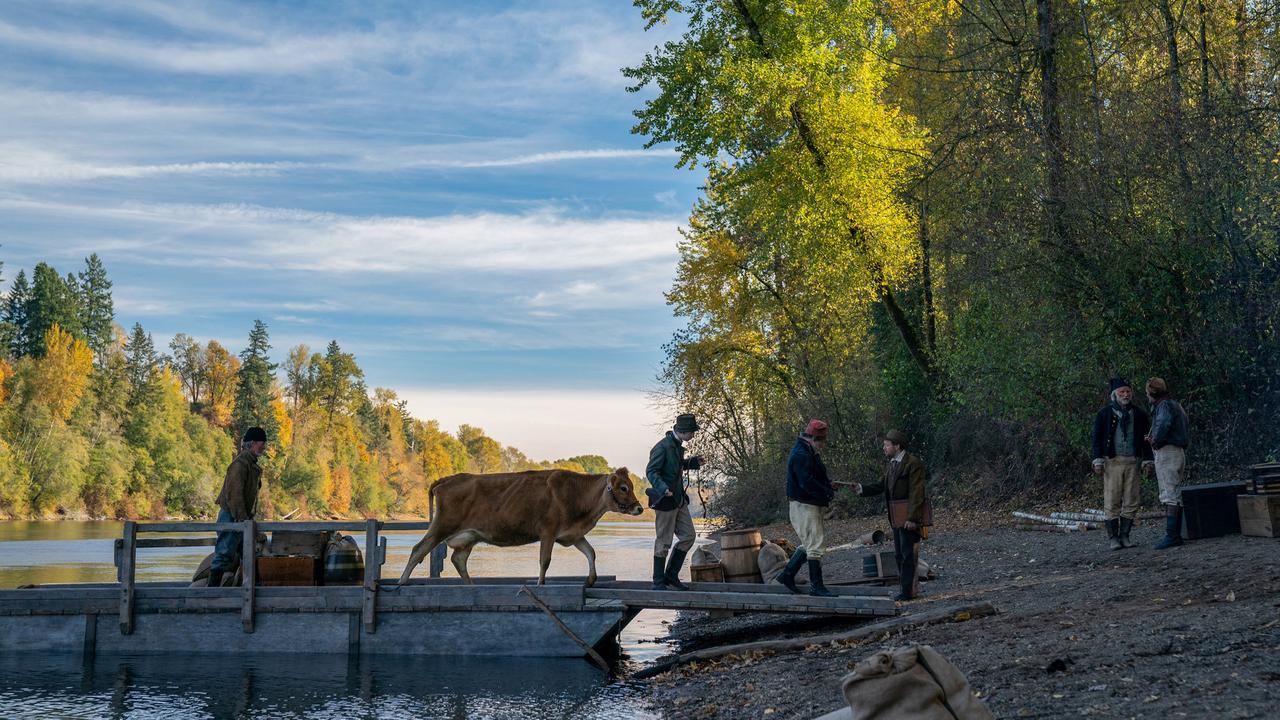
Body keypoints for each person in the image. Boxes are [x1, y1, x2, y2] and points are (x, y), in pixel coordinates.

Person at [852, 430, 928, 601]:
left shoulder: (913, 463)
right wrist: (860, 488)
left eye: (887, 445)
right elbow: (882, 485)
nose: (884, 448)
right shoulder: (892, 464)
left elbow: (917, 492)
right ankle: (906, 590)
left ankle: (907, 592)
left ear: (897, 446)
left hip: (908, 517)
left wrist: (912, 518)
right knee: (900, 554)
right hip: (896, 517)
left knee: (908, 554)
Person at [775, 420, 838, 598]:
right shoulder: (802, 454)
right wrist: (826, 492)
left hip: (806, 503)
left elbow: (813, 477)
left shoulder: (806, 451)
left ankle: (787, 576)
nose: (823, 445)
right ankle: (816, 587)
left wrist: (827, 485)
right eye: (822, 441)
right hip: (804, 505)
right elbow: (806, 483)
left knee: (810, 544)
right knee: (815, 545)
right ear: (814, 439)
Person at [1090, 377, 1154, 550]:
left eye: (1127, 392)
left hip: (1133, 461)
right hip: (1112, 462)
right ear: (1114, 395)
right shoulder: (1104, 414)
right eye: (1122, 392)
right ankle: (1113, 538)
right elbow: (1096, 439)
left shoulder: (1139, 414)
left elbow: (1146, 439)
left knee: (1132, 500)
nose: (1125, 395)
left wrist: (1148, 461)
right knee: (1112, 500)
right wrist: (1097, 460)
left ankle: (1125, 536)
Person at [646, 413, 702, 590]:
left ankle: (671, 576)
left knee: (689, 536)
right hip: (665, 500)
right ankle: (658, 581)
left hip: (678, 500)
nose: (693, 435)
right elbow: (651, 471)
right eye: (692, 432)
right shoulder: (662, 447)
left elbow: (676, 465)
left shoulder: (676, 445)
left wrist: (692, 462)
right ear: (683, 431)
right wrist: (662, 488)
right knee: (664, 541)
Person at [207, 427, 267, 588]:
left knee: (247, 554)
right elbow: (235, 496)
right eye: (262, 444)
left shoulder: (250, 464)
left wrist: (247, 522)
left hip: (241, 518)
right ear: (253, 443)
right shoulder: (240, 464)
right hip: (232, 517)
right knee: (224, 554)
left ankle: (249, 590)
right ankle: (209, 595)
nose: (264, 447)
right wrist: (243, 521)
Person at [1145, 378, 1190, 549]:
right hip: (1178, 451)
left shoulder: (1163, 406)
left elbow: (1163, 424)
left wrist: (1155, 441)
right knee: (1174, 492)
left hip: (1167, 452)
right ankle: (1174, 534)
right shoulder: (1175, 404)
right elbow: (1184, 423)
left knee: (1169, 493)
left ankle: (1172, 536)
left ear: (1152, 392)